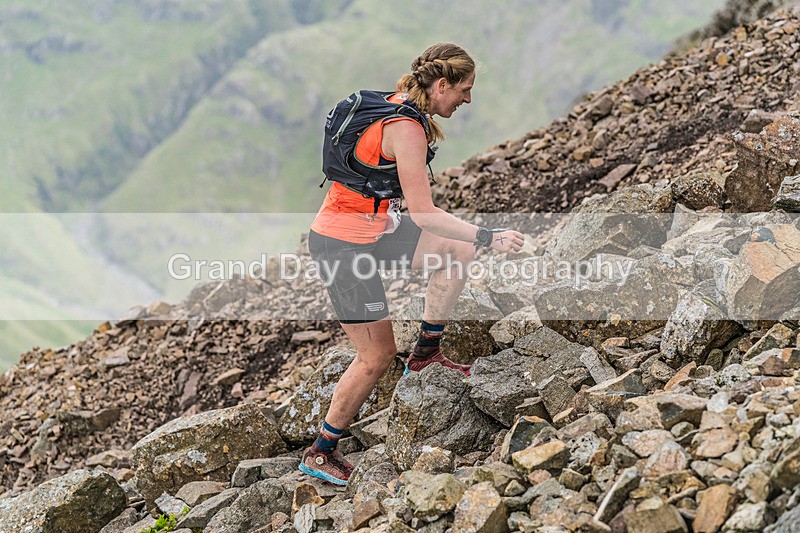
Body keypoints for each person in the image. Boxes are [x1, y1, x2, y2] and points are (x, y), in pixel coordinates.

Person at [299, 43, 524, 486]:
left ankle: (426, 354)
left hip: (375, 231)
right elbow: (423, 213)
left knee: (455, 252)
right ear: (441, 85)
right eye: (464, 89)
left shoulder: (400, 105)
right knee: (376, 355)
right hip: (341, 247)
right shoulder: (407, 128)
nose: (467, 100)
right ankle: (321, 451)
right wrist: (488, 236)